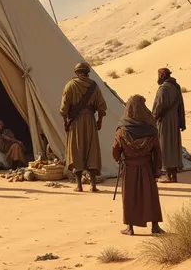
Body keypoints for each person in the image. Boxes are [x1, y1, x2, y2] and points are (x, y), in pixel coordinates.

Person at [112, 95, 164, 236]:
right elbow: (157, 151)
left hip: (129, 168)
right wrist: (157, 169)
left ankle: (130, 228)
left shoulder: (122, 129)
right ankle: (155, 227)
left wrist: (120, 160)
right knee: (151, 196)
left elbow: (116, 150)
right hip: (146, 167)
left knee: (129, 197)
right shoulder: (150, 128)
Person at [60, 62, 107, 192]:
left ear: (77, 72)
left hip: (75, 123)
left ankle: (79, 185)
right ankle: (93, 185)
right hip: (90, 121)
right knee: (91, 150)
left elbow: (64, 109)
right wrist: (99, 122)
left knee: (76, 150)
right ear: (87, 72)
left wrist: (65, 122)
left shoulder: (70, 85)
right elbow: (102, 108)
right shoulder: (94, 86)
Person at [152, 67, 186, 182]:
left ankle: (168, 175)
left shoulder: (163, 89)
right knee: (174, 147)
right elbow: (181, 106)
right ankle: (174, 175)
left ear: (162, 76)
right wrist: (181, 122)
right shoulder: (176, 87)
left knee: (165, 146)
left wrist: (152, 119)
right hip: (175, 120)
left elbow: (158, 107)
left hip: (165, 121)